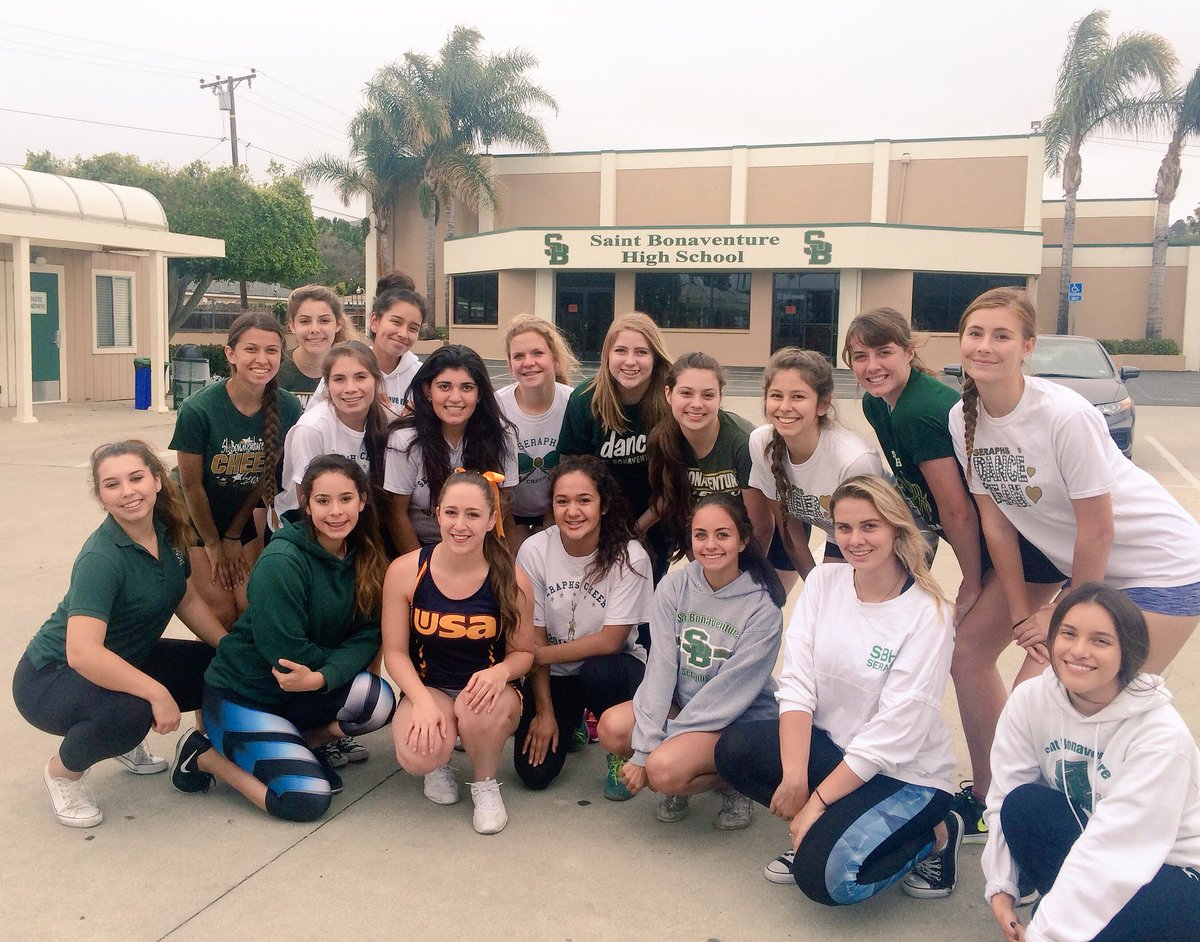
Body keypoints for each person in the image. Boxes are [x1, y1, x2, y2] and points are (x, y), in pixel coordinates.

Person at [843, 307, 1064, 840]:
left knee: (969, 657)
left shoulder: (919, 410)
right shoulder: (878, 403)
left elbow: (958, 510)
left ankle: (996, 794)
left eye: (884, 352)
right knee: (975, 658)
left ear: (910, 351)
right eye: (860, 356)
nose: (872, 366)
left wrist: (971, 579)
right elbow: (920, 498)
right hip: (996, 543)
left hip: (1023, 547)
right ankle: (1005, 783)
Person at [715, 475, 961, 905]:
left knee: (825, 880)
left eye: (870, 526)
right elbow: (797, 686)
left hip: (903, 773)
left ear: (896, 528)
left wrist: (815, 802)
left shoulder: (929, 613)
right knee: (735, 750)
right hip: (836, 750)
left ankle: (937, 835)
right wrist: (795, 779)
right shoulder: (824, 584)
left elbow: (894, 733)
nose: (855, 539)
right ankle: (827, 828)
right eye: (844, 528)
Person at [950, 287, 1200, 675]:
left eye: (1002, 336)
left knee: (1096, 700)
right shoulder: (961, 418)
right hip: (1095, 575)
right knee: (1032, 697)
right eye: (975, 333)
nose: (985, 346)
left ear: (1027, 346)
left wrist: (1066, 611)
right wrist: (1021, 616)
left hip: (1162, 569)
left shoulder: (1065, 415)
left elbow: (1097, 529)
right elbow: (997, 525)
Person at [171, 455, 395, 822]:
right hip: (246, 695)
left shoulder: (366, 553)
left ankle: (300, 746)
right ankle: (203, 756)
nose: (335, 511)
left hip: (303, 688)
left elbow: (369, 633)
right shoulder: (282, 560)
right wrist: (334, 667)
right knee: (304, 800)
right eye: (323, 501)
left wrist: (324, 677)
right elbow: (287, 653)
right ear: (305, 503)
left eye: (345, 499)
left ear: (362, 500)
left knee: (377, 700)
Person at [13, 441, 226, 828]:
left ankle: (126, 743)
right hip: (50, 678)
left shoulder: (167, 530)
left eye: (136, 478)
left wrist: (227, 647)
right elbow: (83, 654)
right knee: (132, 714)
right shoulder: (101, 558)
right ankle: (63, 773)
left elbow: (186, 597)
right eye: (112, 485)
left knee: (215, 666)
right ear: (101, 496)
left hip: (123, 658)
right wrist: (157, 692)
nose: (127, 492)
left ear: (156, 481)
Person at [983, 583, 1200, 942]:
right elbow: (1004, 793)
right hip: (1099, 839)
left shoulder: (1160, 735)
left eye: (1100, 640)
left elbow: (1117, 848)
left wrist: (1045, 933)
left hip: (1176, 870)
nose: (1079, 651)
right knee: (1023, 805)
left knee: (1067, 924)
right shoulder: (1030, 700)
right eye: (1068, 634)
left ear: (1128, 651)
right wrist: (1001, 886)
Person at [599, 493, 784, 830]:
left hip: (738, 721)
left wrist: (657, 750)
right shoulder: (674, 586)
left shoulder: (763, 606)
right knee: (613, 728)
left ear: (743, 541)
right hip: (686, 706)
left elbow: (728, 693)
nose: (710, 545)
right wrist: (646, 745)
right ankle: (681, 766)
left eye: (722, 534)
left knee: (662, 769)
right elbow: (661, 667)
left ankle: (737, 782)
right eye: (701, 535)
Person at [381, 470, 535, 834]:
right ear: (437, 514)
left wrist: (500, 673)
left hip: (487, 692)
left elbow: (524, 653)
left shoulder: (511, 579)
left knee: (476, 709)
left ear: (491, 520)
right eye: (451, 513)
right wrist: (421, 701)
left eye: (472, 514)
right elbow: (395, 653)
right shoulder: (405, 571)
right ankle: (439, 765)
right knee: (418, 754)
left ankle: (485, 783)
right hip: (430, 686)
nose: (460, 525)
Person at [276, 340, 392, 768]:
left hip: (355, 535)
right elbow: (308, 503)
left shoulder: (382, 420)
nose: (350, 387)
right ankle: (310, 726)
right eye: (339, 379)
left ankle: (344, 717)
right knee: (322, 629)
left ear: (377, 381)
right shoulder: (314, 428)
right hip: (309, 537)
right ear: (326, 384)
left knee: (364, 625)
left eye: (360, 377)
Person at [513, 456, 653, 797]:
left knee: (599, 673)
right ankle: (572, 720)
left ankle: (620, 750)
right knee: (533, 774)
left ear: (603, 505)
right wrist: (545, 713)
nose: (572, 511)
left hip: (612, 668)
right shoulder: (534, 550)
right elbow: (536, 634)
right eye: (562, 501)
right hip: (556, 675)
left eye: (584, 500)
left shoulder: (630, 556)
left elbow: (610, 641)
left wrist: (535, 656)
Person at [170, 312, 303, 628]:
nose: (262, 359)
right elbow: (191, 487)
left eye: (271, 350)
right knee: (221, 612)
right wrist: (213, 544)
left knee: (248, 607)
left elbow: (262, 478)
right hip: (193, 517)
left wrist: (233, 535)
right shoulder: (197, 410)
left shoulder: (287, 407)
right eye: (251, 349)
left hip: (238, 515)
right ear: (230, 353)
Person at [746, 347, 883, 578]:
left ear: (823, 404)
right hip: (842, 534)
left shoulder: (854, 461)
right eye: (776, 395)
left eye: (798, 396)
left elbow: (868, 538)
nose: (785, 406)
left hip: (886, 537)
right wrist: (814, 585)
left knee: (852, 594)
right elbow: (788, 527)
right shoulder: (762, 443)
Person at [558, 312, 673, 580]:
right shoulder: (585, 400)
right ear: (607, 355)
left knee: (646, 597)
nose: (630, 361)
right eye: (620, 350)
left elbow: (675, 483)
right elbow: (571, 475)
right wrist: (597, 525)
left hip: (655, 520)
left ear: (655, 357)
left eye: (641, 352)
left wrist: (639, 528)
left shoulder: (670, 401)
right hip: (598, 519)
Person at [383, 344, 519, 554]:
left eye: (467, 387)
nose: (455, 397)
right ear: (428, 391)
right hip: (421, 545)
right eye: (444, 386)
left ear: (479, 394)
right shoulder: (404, 440)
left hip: (478, 544)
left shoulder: (502, 435)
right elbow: (396, 514)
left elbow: (501, 505)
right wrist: (422, 566)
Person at [495, 314, 578, 544]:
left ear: (555, 359)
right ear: (510, 365)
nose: (528, 362)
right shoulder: (497, 407)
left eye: (537, 353)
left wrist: (551, 520)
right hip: (510, 512)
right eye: (518, 356)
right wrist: (512, 531)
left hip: (559, 511)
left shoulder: (574, 403)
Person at [306, 272, 426, 415]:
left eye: (413, 328)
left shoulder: (423, 376)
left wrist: (408, 422)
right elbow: (312, 420)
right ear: (374, 321)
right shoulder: (343, 365)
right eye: (396, 322)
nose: (403, 334)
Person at [277, 285, 359, 407]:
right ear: (292, 326)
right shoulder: (276, 369)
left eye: (324, 321)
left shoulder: (356, 371)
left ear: (338, 324)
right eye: (305, 321)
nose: (314, 329)